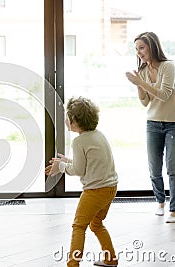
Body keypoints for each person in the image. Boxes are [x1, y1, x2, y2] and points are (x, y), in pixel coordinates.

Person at [45, 96, 119, 267]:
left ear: (74, 121)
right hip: (111, 188)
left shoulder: (79, 141)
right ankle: (111, 259)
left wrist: (62, 166)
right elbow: (90, 164)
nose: (65, 119)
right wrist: (67, 162)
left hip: (95, 191)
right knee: (96, 224)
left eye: (67, 115)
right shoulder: (98, 135)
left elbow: (79, 171)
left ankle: (73, 264)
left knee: (78, 227)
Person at [125, 32, 175, 223]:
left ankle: (174, 210)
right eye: (136, 49)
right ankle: (160, 201)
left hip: (174, 124)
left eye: (142, 48)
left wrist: (140, 82)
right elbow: (145, 102)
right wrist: (138, 86)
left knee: (173, 169)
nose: (139, 53)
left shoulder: (169, 66)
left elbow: (164, 94)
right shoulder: (142, 71)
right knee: (154, 168)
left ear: (152, 46)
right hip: (152, 124)